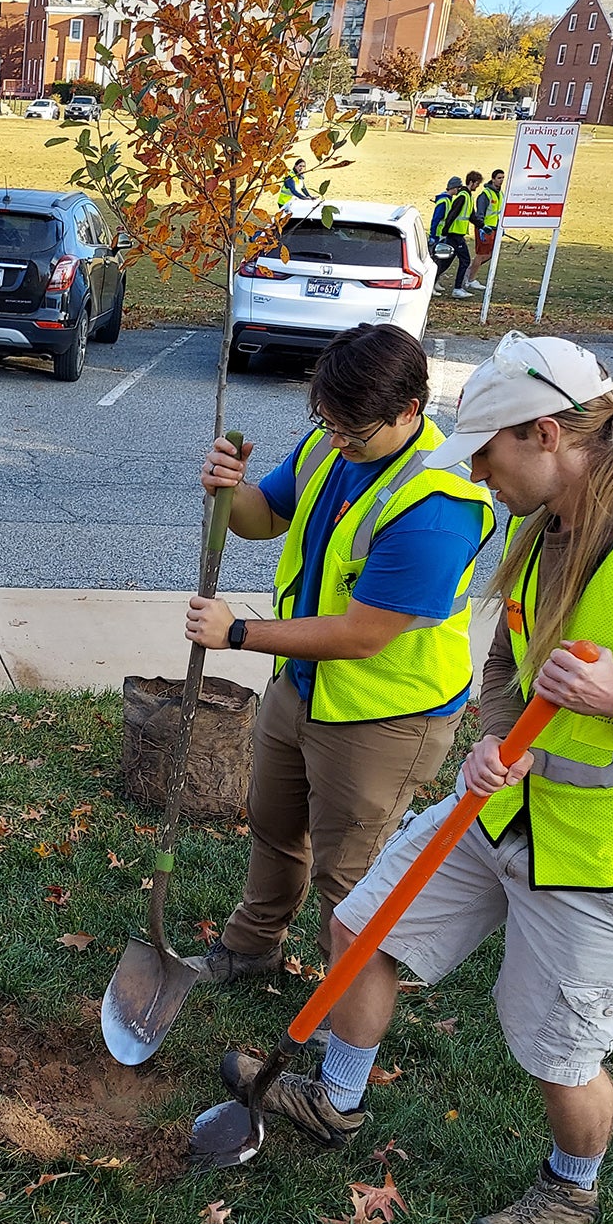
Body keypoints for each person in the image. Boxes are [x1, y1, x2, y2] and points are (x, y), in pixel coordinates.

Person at [216, 332, 613, 1224]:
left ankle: (571, 1186)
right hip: (507, 808)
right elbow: (508, 658)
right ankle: (339, 1098)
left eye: (491, 457)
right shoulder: (548, 528)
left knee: (555, 1050)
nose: (484, 479)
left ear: (546, 435)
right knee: (363, 924)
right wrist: (500, 740)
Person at [184, 322, 493, 987]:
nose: (338, 443)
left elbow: (362, 635)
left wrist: (239, 634)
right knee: (272, 825)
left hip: (384, 714)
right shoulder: (333, 441)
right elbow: (266, 514)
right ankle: (251, 948)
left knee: (347, 872)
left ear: (410, 410)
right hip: (302, 686)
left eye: (354, 432)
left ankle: (340, 1007)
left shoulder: (439, 506)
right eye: (328, 424)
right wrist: (228, 488)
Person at [431, 176, 475, 297]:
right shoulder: (446, 200)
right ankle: (437, 285)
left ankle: (434, 283)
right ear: (455, 188)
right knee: (444, 260)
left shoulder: (450, 199)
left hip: (447, 234)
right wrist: (434, 235)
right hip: (444, 235)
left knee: (444, 260)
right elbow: (438, 219)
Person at [475, 168, 504, 264]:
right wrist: (481, 227)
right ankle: (469, 276)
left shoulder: (501, 194)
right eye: (499, 178)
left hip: (495, 228)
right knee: (481, 254)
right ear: (493, 179)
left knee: (491, 254)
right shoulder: (485, 194)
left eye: (503, 178)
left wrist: (501, 227)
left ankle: (469, 273)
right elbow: (480, 212)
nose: (501, 180)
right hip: (485, 228)